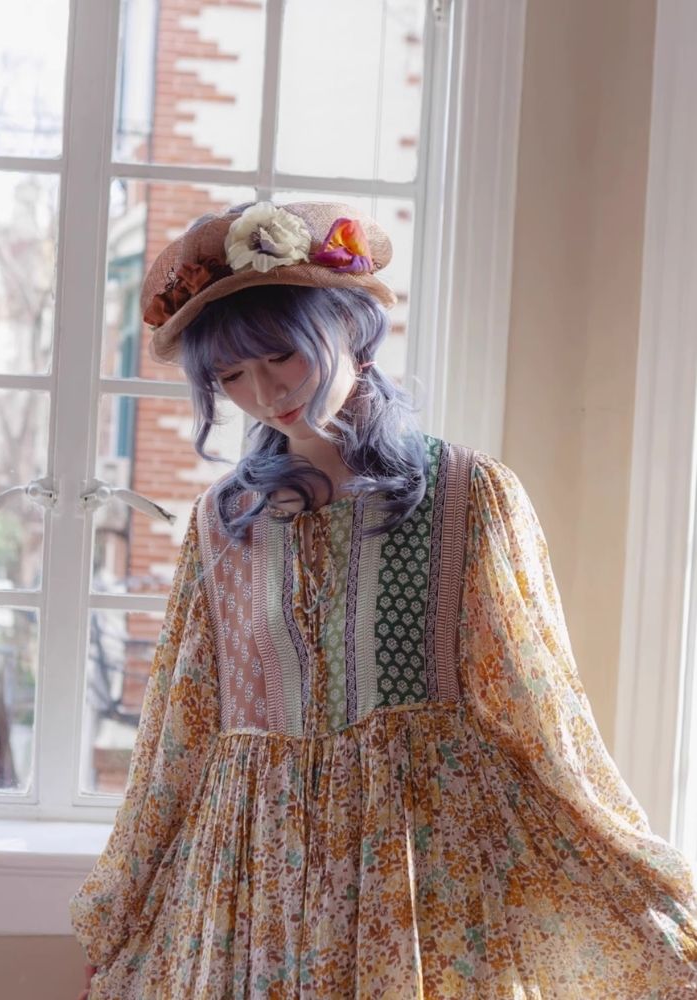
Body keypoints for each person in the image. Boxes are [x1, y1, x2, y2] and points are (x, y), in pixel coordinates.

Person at [71, 201, 697, 998]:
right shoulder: (224, 523)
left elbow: (541, 712)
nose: (263, 392)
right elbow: (178, 729)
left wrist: (643, 878)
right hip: (255, 888)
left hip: (419, 881)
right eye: (230, 376)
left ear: (350, 328)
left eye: (282, 355)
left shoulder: (468, 496)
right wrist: (122, 909)